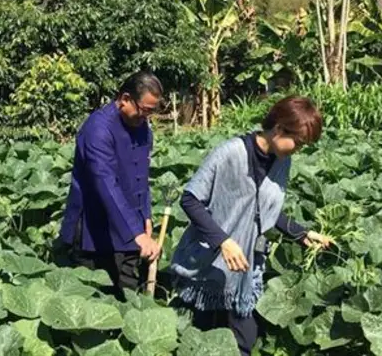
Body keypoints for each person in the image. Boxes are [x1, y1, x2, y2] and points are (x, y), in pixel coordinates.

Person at [169, 95, 332, 355]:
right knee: (205, 337)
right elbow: (190, 199)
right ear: (279, 129)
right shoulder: (230, 153)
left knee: (244, 340)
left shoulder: (282, 162)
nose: (298, 150)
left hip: (245, 267)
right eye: (299, 143)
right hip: (210, 263)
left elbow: (266, 210)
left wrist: (302, 233)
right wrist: (223, 241)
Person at [55, 71, 162, 298]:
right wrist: (136, 233)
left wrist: (145, 215)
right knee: (91, 299)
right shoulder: (97, 129)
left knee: (128, 299)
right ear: (125, 98)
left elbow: (141, 176)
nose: (146, 117)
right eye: (144, 110)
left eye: (151, 112)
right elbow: (105, 182)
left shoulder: (142, 127)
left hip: (129, 228)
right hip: (93, 231)